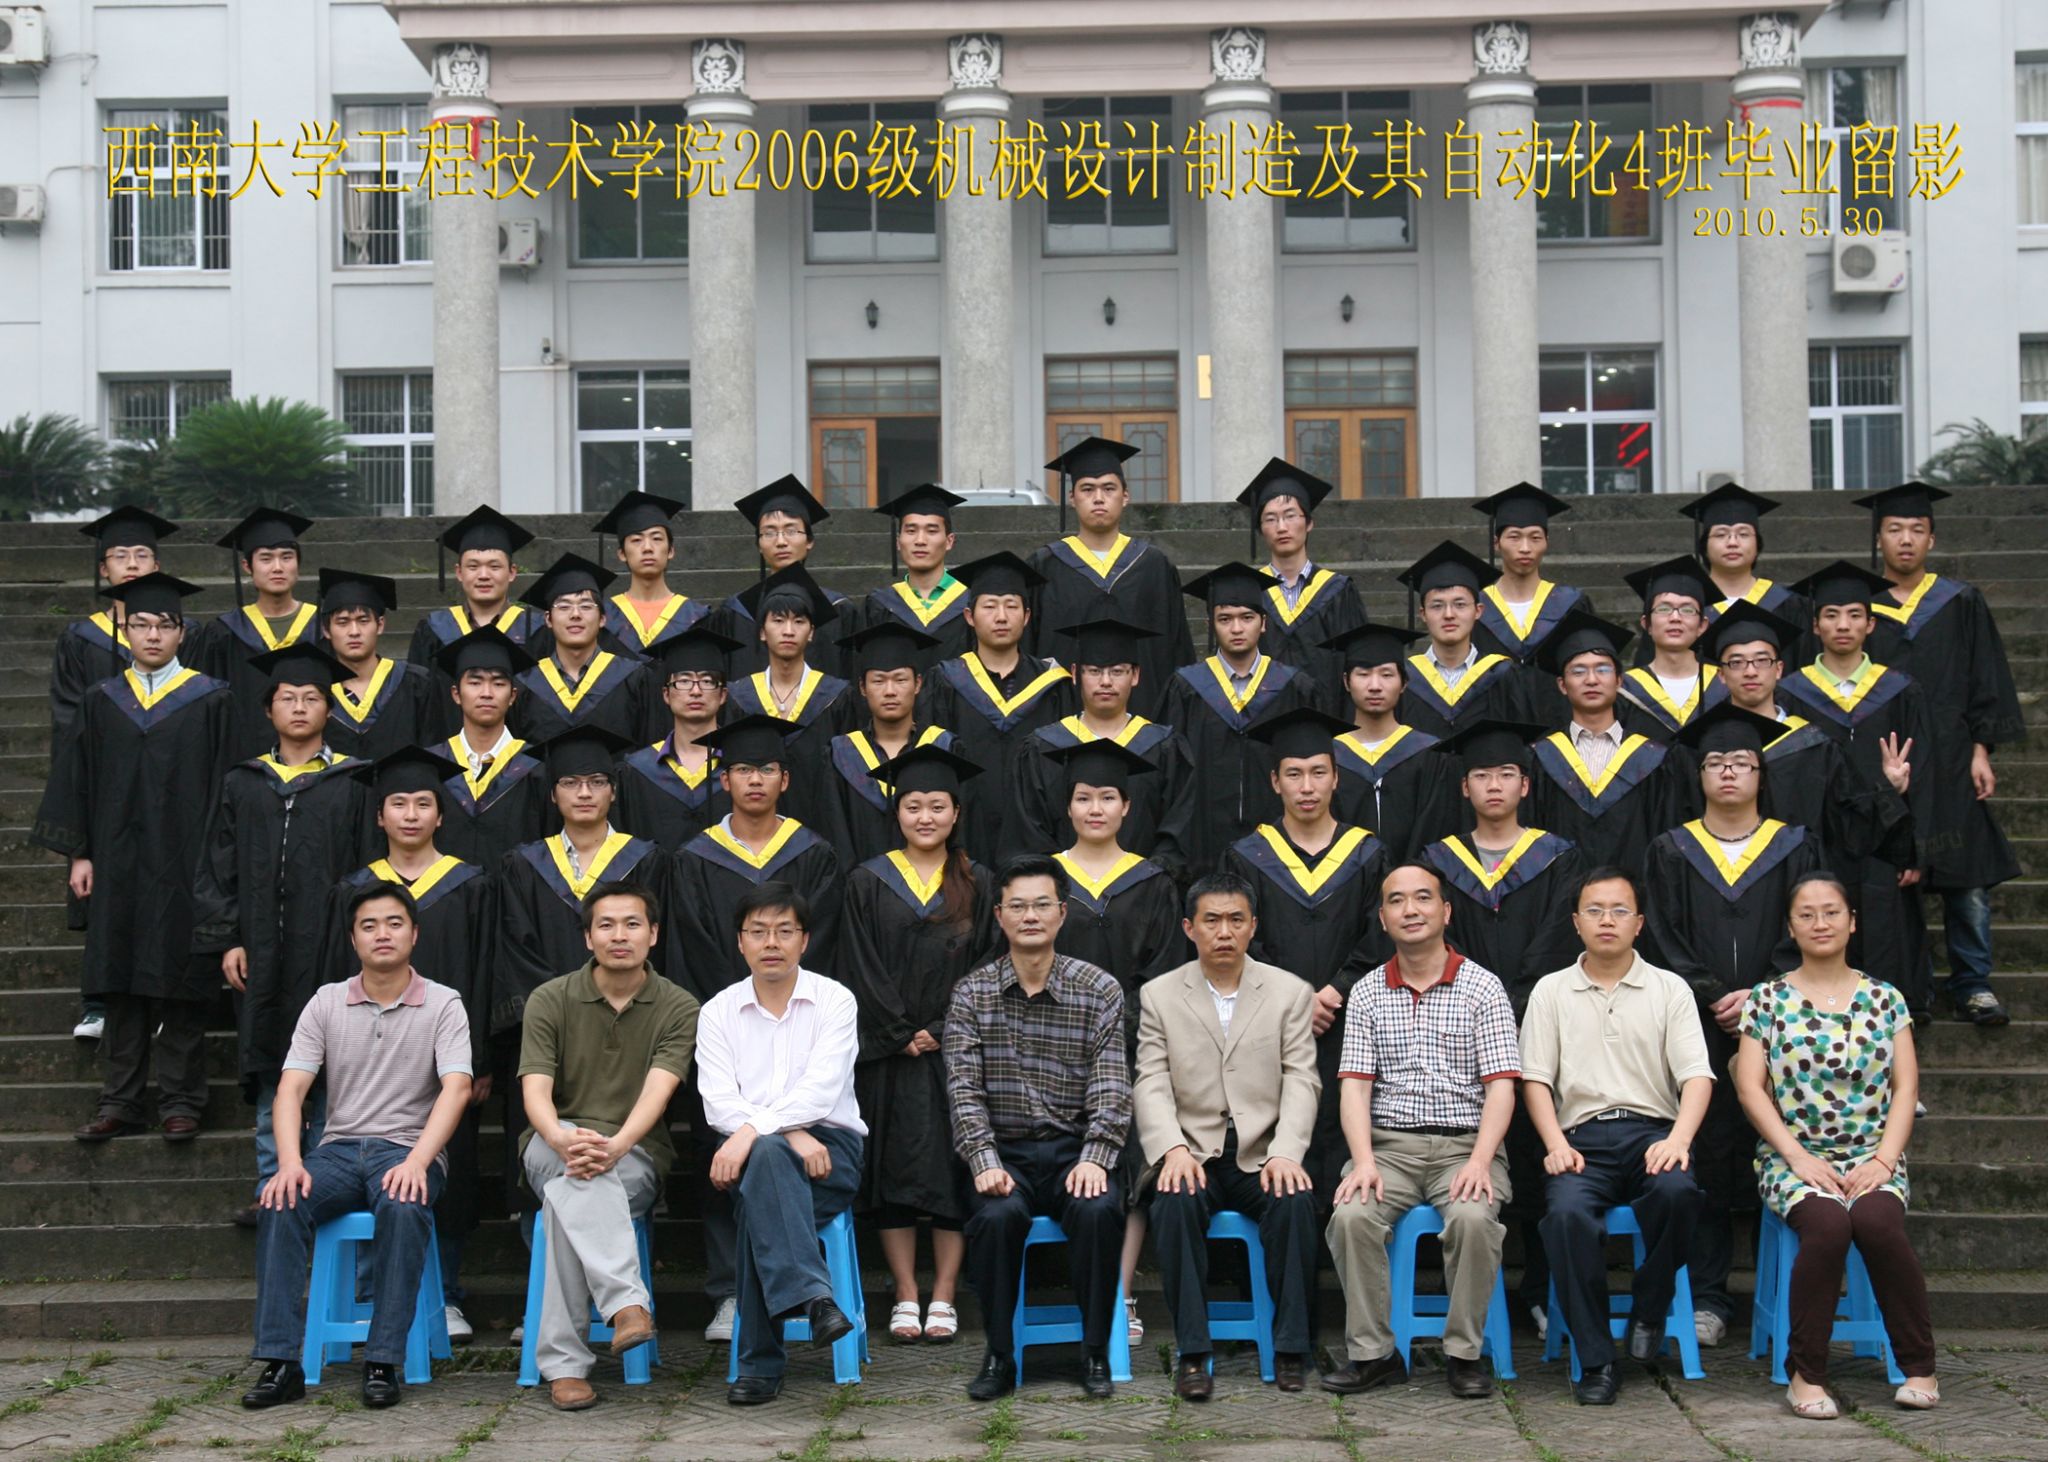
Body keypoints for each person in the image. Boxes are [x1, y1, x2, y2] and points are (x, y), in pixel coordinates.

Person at [241, 885, 473, 1413]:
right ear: (353, 939)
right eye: (369, 926)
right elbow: (290, 1090)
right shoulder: (326, 1001)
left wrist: (419, 1161)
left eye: (394, 923)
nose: (382, 934)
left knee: (404, 1203)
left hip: (407, 1149)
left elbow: (457, 1088)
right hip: (338, 1151)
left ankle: (382, 1360)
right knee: (280, 1200)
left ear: (414, 934)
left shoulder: (443, 1003)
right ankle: (280, 1361)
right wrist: (289, 1164)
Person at [1641, 702, 1820, 1349]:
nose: (1728, 772)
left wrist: (1762, 994)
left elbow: (1808, 925)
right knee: (1706, 1158)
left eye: (1742, 762)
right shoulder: (1671, 850)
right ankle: (1709, 1298)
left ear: (1760, 774)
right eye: (1715, 761)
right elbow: (1663, 936)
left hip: (1781, 1024)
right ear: (1699, 775)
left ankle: (1799, 1295)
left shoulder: (1796, 846)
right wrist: (1715, 994)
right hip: (1695, 1025)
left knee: (1786, 1145)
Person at [35, 572, 231, 1141]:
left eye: (163, 626)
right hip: (117, 861)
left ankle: (181, 1101)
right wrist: (80, 853)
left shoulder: (211, 698)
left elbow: (225, 787)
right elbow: (77, 779)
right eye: (140, 625)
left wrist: (218, 865)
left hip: (185, 862)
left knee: (182, 979)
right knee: (119, 978)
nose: (152, 635)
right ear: (125, 632)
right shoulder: (101, 700)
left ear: (181, 632)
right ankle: (120, 1101)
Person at [667, 713, 843, 1343]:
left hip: (797, 1030)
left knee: (756, 1151)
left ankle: (768, 1298)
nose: (755, 779)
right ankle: (728, 1291)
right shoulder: (693, 858)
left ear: (784, 779)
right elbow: (690, 947)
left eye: (767, 768)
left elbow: (820, 945)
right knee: (721, 1151)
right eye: (742, 769)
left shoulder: (814, 854)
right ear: (724, 780)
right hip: (728, 1031)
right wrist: (732, 1007)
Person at [1734, 873, 1939, 1417]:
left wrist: (1884, 1161)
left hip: (1873, 1155)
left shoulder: (1885, 998)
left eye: (1831, 912)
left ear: (1852, 922)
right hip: (1792, 1158)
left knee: (1878, 1224)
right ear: (1790, 927)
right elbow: (1750, 1087)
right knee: (1826, 1228)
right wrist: (1797, 1157)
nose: (1819, 923)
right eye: (1806, 914)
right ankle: (1806, 1376)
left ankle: (1921, 1367)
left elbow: (1906, 1088)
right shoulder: (1768, 999)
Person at [1324, 863, 1520, 1399]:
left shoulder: (1482, 987)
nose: (1410, 910)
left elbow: (1502, 1087)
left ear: (1446, 911)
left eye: (1423, 898)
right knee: (1351, 1217)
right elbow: (1354, 1088)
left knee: (1474, 1219)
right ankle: (1374, 1355)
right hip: (1389, 1147)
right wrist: (1364, 1161)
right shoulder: (1368, 991)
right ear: (1382, 918)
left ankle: (1464, 1355)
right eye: (1397, 901)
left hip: (1465, 1145)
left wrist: (1480, 1161)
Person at [1519, 866, 1713, 1406]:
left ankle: (1650, 1306)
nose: (1607, 920)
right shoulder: (1551, 990)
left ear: (1639, 923)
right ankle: (1597, 1360)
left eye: (1620, 910)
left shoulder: (1669, 989)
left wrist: (1679, 1140)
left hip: (1653, 1134)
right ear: (1576, 922)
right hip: (1579, 1141)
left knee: (1678, 1193)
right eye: (1595, 911)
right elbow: (1535, 1079)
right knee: (1565, 1217)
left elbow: (1697, 1076)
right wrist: (1555, 1144)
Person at [192, 644, 367, 1225]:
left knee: (336, 1073)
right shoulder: (243, 783)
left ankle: (326, 1186)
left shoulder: (353, 783)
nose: (298, 707)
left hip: (332, 952)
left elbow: (369, 871)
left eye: (311, 698)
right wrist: (229, 938)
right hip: (262, 952)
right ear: (269, 709)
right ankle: (274, 1186)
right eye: (287, 698)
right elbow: (218, 866)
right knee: (274, 1069)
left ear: (328, 710)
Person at [946, 856, 1132, 1402]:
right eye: (1018, 906)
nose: (1030, 916)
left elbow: (1112, 1085)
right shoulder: (972, 993)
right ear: (999, 915)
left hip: (1076, 1149)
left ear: (1062, 913)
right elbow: (963, 1091)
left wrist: (1096, 1155)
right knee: (996, 1217)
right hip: (1005, 1154)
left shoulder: (1098, 989)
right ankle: (1000, 1354)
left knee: (1098, 1211)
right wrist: (984, 1162)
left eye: (1042, 905)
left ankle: (1094, 1350)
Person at [324, 746, 493, 1341]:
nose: (412, 815)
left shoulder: (471, 884)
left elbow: (483, 972)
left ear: (440, 815)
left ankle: (446, 1294)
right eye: (399, 803)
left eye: (424, 803)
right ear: (381, 816)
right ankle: (372, 1294)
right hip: (370, 1064)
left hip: (450, 1064)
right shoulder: (357, 890)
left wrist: (479, 1060)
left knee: (451, 1171)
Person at [1135, 872, 1322, 1398]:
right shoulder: (1160, 995)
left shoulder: (1289, 992)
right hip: (1193, 1152)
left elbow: (1302, 1079)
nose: (1224, 932)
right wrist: (1171, 1150)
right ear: (1189, 928)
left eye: (1236, 920)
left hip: (1261, 1153)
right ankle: (1194, 1354)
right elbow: (1150, 1080)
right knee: (1172, 1204)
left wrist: (1286, 1153)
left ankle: (1292, 1348)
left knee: (1294, 1203)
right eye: (1212, 920)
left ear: (1253, 926)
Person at [518, 880, 699, 1412]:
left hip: (635, 1151)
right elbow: (535, 1092)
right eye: (607, 925)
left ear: (653, 934)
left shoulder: (678, 1006)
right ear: (587, 937)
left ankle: (565, 1367)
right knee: (572, 1177)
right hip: (553, 1143)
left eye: (632, 924)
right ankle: (626, 1306)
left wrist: (616, 1145)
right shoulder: (550, 998)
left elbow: (658, 1092)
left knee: (566, 1199)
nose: (620, 935)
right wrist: (561, 1138)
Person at [1858, 481, 2027, 1027]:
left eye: (1917, 529)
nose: (1905, 539)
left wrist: (1981, 748)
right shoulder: (1859, 608)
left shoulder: (1959, 601)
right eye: (1894, 529)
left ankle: (1973, 982)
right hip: (1889, 758)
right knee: (1892, 875)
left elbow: (1984, 675)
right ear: (1878, 537)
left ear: (1932, 538)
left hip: (1953, 757)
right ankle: (1908, 988)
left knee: (1966, 875)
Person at [839, 745, 992, 1345]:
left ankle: (945, 1293)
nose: (925, 817)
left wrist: (944, 1027)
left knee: (954, 1170)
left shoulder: (979, 881)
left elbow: (988, 963)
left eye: (937, 806)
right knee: (893, 1171)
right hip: (891, 1054)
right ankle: (906, 1292)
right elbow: (858, 962)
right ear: (897, 812)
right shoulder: (867, 880)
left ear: (957, 813)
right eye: (913, 806)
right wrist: (899, 1030)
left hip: (956, 1052)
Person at [699, 883, 868, 1405]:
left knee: (762, 1195)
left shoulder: (835, 1000)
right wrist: (783, 1132)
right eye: (758, 932)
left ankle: (759, 1366)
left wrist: (760, 1130)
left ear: (804, 940)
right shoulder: (718, 1011)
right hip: (754, 1155)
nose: (771, 942)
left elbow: (820, 1092)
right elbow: (718, 1104)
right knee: (768, 1170)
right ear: (740, 942)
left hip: (830, 1150)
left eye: (784, 931)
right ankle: (816, 1299)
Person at [1224, 706, 1389, 1200]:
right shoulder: (1247, 856)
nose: (1307, 786)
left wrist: (1336, 991)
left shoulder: (1368, 853)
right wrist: (1298, 1000)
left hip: (1351, 1021)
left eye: (1318, 773)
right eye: (1294, 774)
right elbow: (1239, 939)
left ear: (1336, 778)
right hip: (1270, 1022)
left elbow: (1379, 935)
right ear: (1275, 782)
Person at [47, 506, 179, 1041]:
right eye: (120, 556)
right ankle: (98, 1001)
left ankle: (160, 999)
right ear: (104, 569)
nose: (132, 563)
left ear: (157, 565)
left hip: (169, 788)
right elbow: (67, 724)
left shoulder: (180, 634)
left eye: (142, 554)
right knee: (103, 891)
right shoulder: (82, 638)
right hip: (106, 788)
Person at [1779, 560, 1932, 1014]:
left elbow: (1925, 772)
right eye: (1831, 615)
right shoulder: (1791, 693)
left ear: (1870, 624)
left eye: (1853, 615)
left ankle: (1890, 1019)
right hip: (1819, 837)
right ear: (1815, 626)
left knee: (1888, 931)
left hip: (1885, 843)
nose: (1842, 625)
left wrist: (1911, 848)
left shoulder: (1899, 689)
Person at [1703, 602, 1913, 898]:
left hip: (1805, 894)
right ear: (1721, 675)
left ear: (1779, 669)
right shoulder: (1701, 748)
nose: (1750, 672)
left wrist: (1888, 790)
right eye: (1736, 662)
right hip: (1720, 893)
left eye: (1762, 661)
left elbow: (1850, 831)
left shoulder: (1816, 746)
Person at [495, 727, 668, 1040]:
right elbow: (517, 950)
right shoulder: (524, 865)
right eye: (570, 782)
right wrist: (561, 1010)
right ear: (553, 794)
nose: (584, 793)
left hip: (630, 1025)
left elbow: (658, 946)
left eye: (597, 782)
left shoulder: (645, 861)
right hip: (548, 1028)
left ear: (613, 792)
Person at [918, 551, 1076, 866]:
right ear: (969, 616)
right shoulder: (946, 682)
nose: (1001, 617)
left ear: (1027, 617)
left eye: (1011, 606)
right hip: (965, 844)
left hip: (1039, 841)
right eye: (989, 606)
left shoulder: (1053, 685)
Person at [1163, 562, 1319, 871]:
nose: (1236, 628)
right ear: (1211, 624)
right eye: (1225, 619)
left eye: (1247, 618)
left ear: (1263, 623)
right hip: (1202, 843)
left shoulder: (1294, 687)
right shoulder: (1187, 687)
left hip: (1279, 845)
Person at [1418, 721, 1582, 1014]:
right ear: (1465, 787)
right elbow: (1437, 938)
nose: (1494, 786)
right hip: (1459, 1011)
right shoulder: (1439, 861)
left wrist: (1522, 1001)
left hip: (1542, 1010)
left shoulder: (1557, 857)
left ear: (1524, 785)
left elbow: (1558, 938)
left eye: (1506, 775)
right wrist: (1481, 998)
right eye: (1481, 776)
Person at [1030, 435, 1196, 722]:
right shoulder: (1045, 567)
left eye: (1109, 488)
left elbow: (1177, 650)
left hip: (1145, 722)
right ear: (1072, 498)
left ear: (1125, 496)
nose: (1098, 498)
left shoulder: (1154, 567)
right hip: (1062, 723)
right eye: (1087, 489)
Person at [1015, 614, 1194, 874]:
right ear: (1075, 674)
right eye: (1094, 671)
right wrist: (1058, 882)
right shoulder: (1043, 748)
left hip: (1145, 889)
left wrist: (1147, 880)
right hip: (1062, 890)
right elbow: (1031, 834)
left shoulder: (1163, 747)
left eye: (1117, 671)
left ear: (1135, 675)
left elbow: (1177, 833)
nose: (1106, 681)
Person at [1527, 611, 1697, 877]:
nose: (1591, 680)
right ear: (1562, 685)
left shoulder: (1655, 759)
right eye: (1578, 671)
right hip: (1560, 895)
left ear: (1619, 681)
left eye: (1602, 669)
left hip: (1636, 895)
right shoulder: (1540, 758)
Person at [723, 564, 854, 826]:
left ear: (812, 632)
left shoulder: (837, 695)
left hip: (824, 824)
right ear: (762, 632)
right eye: (778, 620)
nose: (788, 631)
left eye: (799, 621)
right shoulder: (740, 696)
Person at [1321, 622, 1462, 861]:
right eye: (1363, 674)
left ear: (1404, 683)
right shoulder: (1329, 755)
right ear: (1346, 682)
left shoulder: (1431, 755)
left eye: (1386, 675)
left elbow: (1437, 829)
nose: (1375, 686)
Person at [817, 620, 951, 871]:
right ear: (862, 688)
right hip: (859, 890)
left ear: (918, 684)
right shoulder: (842, 754)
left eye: (900, 680)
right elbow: (835, 837)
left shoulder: (943, 748)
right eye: (878, 681)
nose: (890, 691)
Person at [192, 508, 322, 761]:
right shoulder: (224, 633)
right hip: (242, 760)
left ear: (298, 563)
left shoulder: (322, 627)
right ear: (247, 566)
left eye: (286, 557)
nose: (277, 567)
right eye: (266, 558)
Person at [1237, 457, 1366, 698]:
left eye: (1290, 516)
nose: (1281, 527)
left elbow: (1359, 662)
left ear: (1309, 523)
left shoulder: (1338, 591)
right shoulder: (1249, 591)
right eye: (1270, 519)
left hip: (1328, 713)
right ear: (1261, 529)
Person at [430, 627, 550, 868]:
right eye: (475, 683)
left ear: (512, 696)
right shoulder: (433, 765)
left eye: (498, 683)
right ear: (456, 694)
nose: (486, 693)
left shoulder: (536, 768)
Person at [1470, 483, 1588, 725]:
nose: (1525, 548)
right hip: (1494, 731)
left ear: (1547, 542)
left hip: (1560, 728)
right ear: (1496, 543)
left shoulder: (1570, 604)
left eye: (1535, 538)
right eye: (1514, 537)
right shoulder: (1475, 608)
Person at [614, 625, 741, 850]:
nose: (695, 691)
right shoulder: (635, 772)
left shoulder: (742, 766)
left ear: (723, 695)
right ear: (666, 694)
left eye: (707, 681)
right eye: (683, 681)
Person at [719, 476, 855, 680]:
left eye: (791, 531)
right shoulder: (736, 612)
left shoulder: (838, 609)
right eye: (769, 533)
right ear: (759, 545)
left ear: (809, 541)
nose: (781, 541)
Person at [512, 554, 654, 746]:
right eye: (564, 607)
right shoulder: (524, 684)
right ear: (548, 619)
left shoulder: (634, 679)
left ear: (602, 619)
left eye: (586, 606)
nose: (575, 614)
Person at [1394, 541, 1530, 737]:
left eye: (1460, 604)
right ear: (1423, 614)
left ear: (1478, 611)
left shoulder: (1502, 675)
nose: (1449, 614)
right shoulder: (1404, 679)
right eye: (1437, 606)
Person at [316, 569, 444, 760]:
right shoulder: (316, 689)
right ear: (326, 630)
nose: (354, 631)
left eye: (363, 621)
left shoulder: (415, 683)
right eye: (343, 622)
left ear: (380, 625)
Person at [408, 506, 550, 670]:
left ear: (512, 573)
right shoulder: (434, 628)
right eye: (473, 567)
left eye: (494, 566)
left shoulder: (537, 630)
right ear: (459, 573)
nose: (483, 575)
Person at [858, 483, 975, 672]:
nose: (920, 541)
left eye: (932, 531)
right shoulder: (879, 605)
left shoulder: (971, 601)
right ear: (898, 541)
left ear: (949, 541)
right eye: (911, 531)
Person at [1681, 482, 1811, 652]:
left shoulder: (1789, 605)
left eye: (1743, 534)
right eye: (1721, 534)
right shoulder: (1686, 605)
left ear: (1758, 544)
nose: (1732, 542)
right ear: (1704, 546)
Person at [593, 490, 712, 657]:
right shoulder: (604, 617)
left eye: (656, 539)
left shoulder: (695, 616)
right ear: (621, 553)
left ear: (670, 551)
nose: (647, 548)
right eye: (636, 540)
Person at [1619, 557, 1727, 739]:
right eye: (1664, 609)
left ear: (1702, 626)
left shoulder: (1725, 684)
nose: (1675, 618)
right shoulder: (1624, 690)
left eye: (1687, 610)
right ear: (1647, 624)